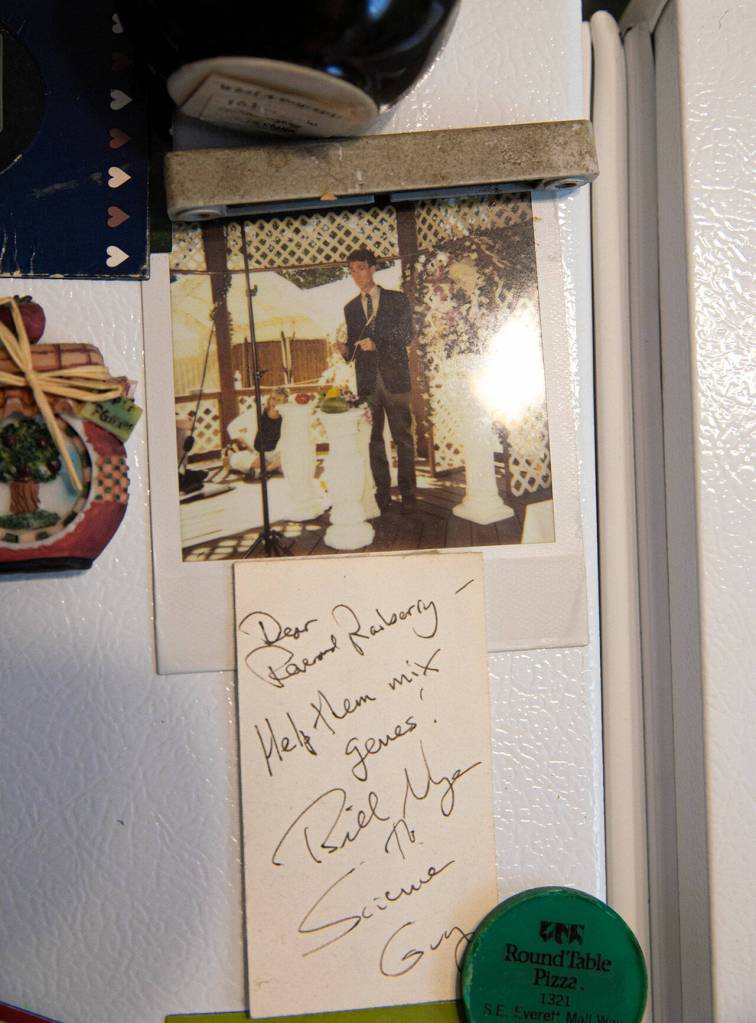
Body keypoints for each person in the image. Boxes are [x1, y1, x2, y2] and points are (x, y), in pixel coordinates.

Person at [336, 247, 417, 514]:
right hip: (368, 384)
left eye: (360, 268)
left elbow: (407, 335)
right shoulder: (349, 308)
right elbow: (354, 353)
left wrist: (377, 343)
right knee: (374, 439)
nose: (356, 275)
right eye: (351, 271)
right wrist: (344, 350)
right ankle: (382, 494)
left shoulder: (397, 300)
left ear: (372, 268)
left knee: (403, 437)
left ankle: (408, 493)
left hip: (395, 380)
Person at [222, 389, 286, 479]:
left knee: (290, 461)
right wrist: (247, 446)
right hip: (257, 453)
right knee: (249, 461)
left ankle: (265, 470)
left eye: (279, 400)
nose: (274, 402)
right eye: (273, 398)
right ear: (269, 399)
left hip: (276, 454)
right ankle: (265, 468)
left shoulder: (286, 416)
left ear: (285, 402)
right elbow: (232, 427)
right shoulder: (257, 412)